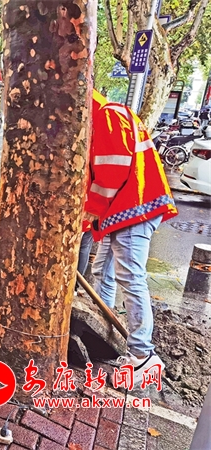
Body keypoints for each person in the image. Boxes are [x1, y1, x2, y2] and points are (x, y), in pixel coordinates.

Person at [84, 89, 178, 386]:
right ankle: (104, 332)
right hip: (125, 209)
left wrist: (90, 211)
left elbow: (111, 170)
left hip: (134, 208)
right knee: (103, 271)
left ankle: (143, 357)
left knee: (130, 278)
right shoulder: (106, 115)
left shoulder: (107, 115)